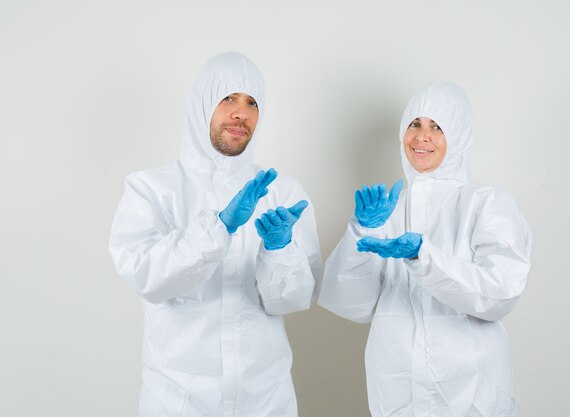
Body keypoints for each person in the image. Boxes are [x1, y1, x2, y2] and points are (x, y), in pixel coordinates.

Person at [109, 52, 322, 417]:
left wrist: (280, 248)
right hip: (176, 401)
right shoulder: (151, 189)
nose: (241, 113)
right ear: (202, 104)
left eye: (252, 103)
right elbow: (148, 278)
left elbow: (291, 301)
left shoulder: (283, 193)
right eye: (228, 99)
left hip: (266, 399)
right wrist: (218, 227)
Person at [318, 81, 532, 417]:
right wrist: (360, 232)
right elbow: (351, 304)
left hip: (470, 388)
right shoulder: (389, 209)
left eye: (437, 127)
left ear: (458, 136)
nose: (421, 137)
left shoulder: (487, 203)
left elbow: (500, 294)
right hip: (397, 388)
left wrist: (424, 258)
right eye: (414, 124)